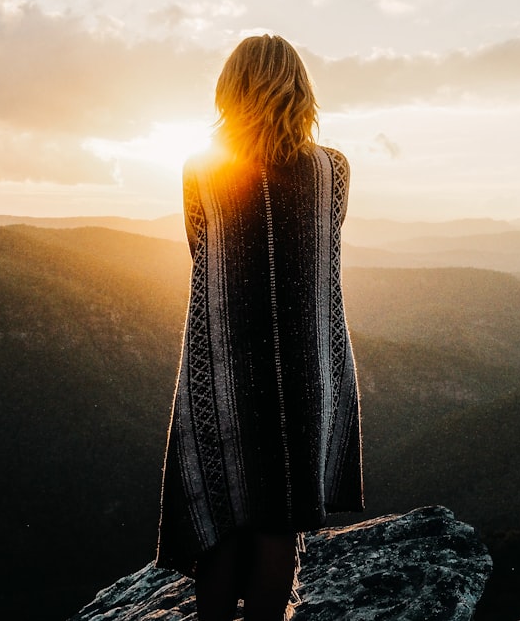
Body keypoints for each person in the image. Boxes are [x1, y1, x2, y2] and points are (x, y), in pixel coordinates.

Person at [155, 34, 364, 621]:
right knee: (281, 515)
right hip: (305, 365)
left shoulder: (202, 170)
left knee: (221, 513)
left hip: (220, 365)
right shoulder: (333, 170)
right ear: (301, 91)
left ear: (229, 91)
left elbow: (200, 249)